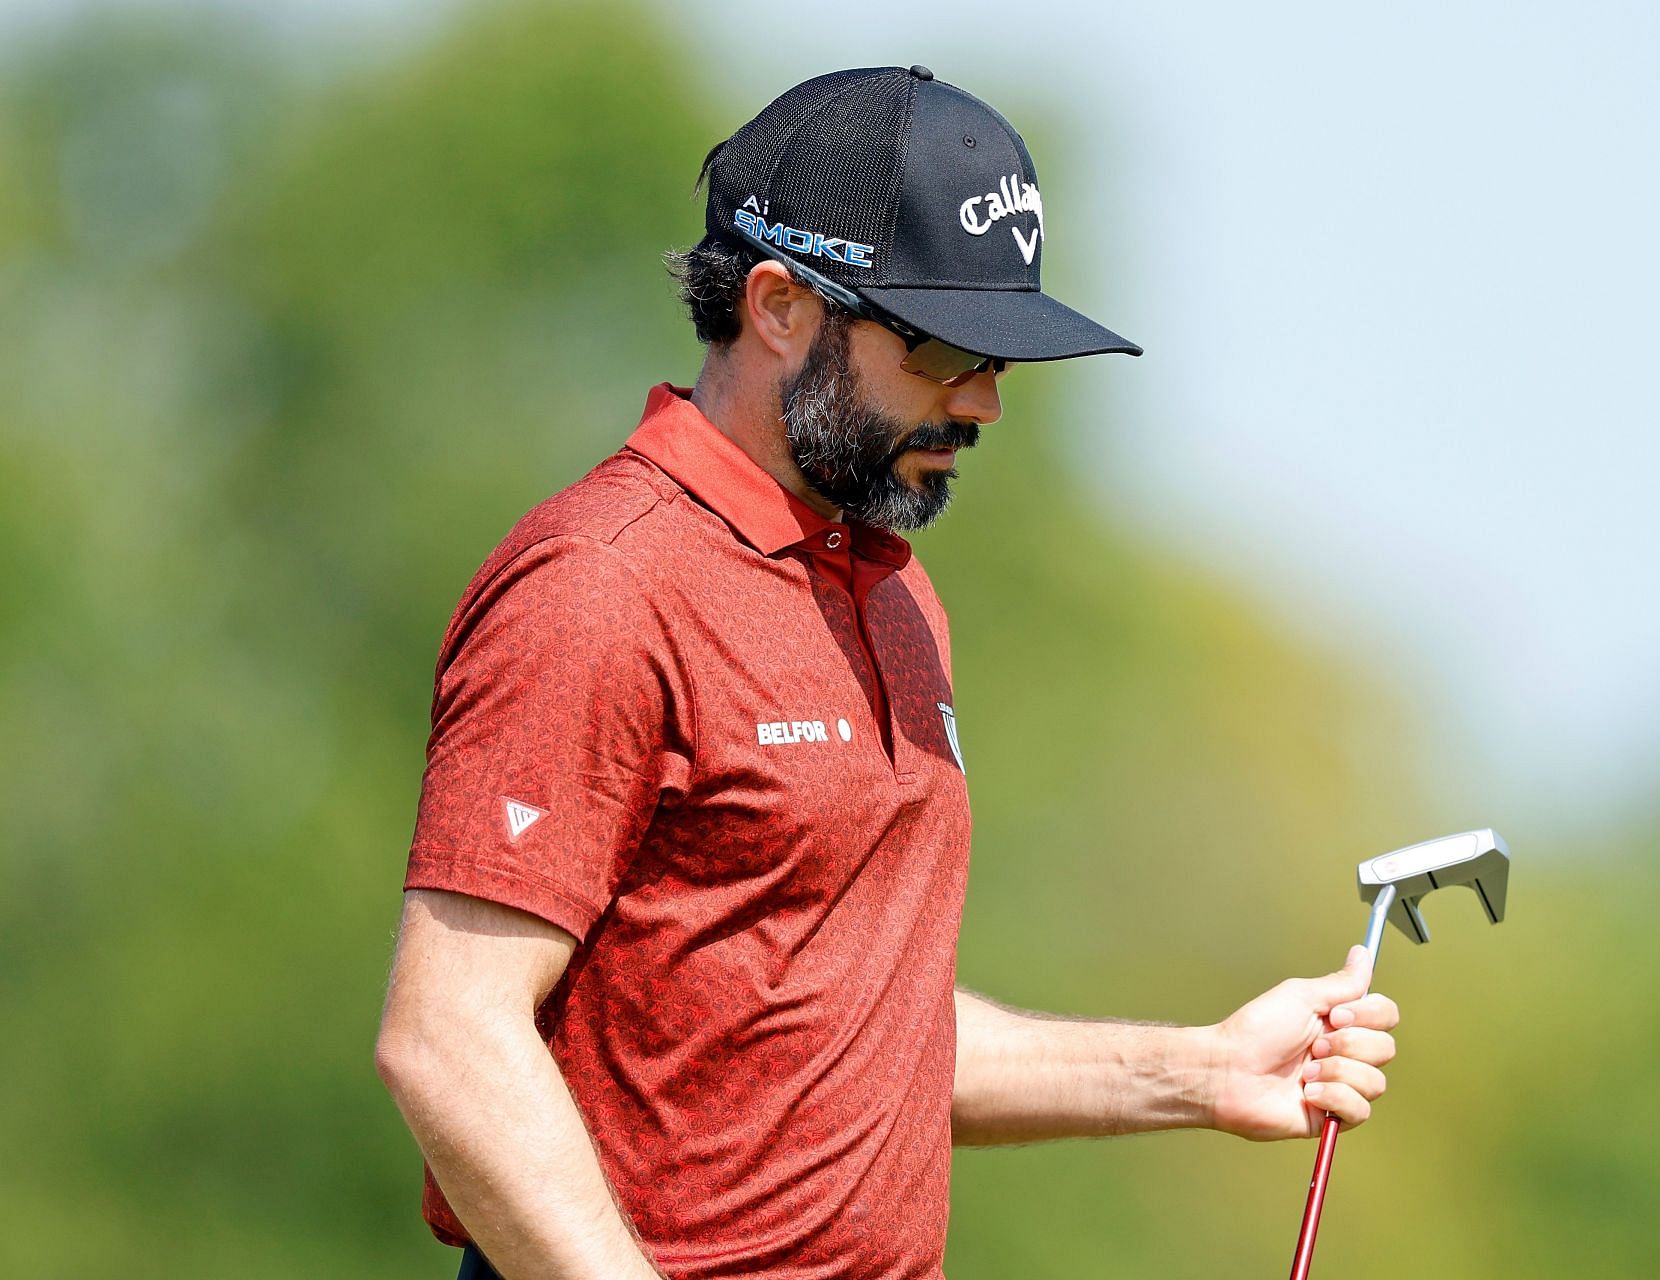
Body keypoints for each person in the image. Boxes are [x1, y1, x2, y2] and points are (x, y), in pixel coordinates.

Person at [375, 66, 1399, 1280]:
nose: (981, 402)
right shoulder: (599, 583)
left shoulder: (894, 586)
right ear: (776, 306)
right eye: (942, 349)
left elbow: (863, 1031)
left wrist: (1196, 1068)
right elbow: (450, 1034)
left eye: (999, 360)